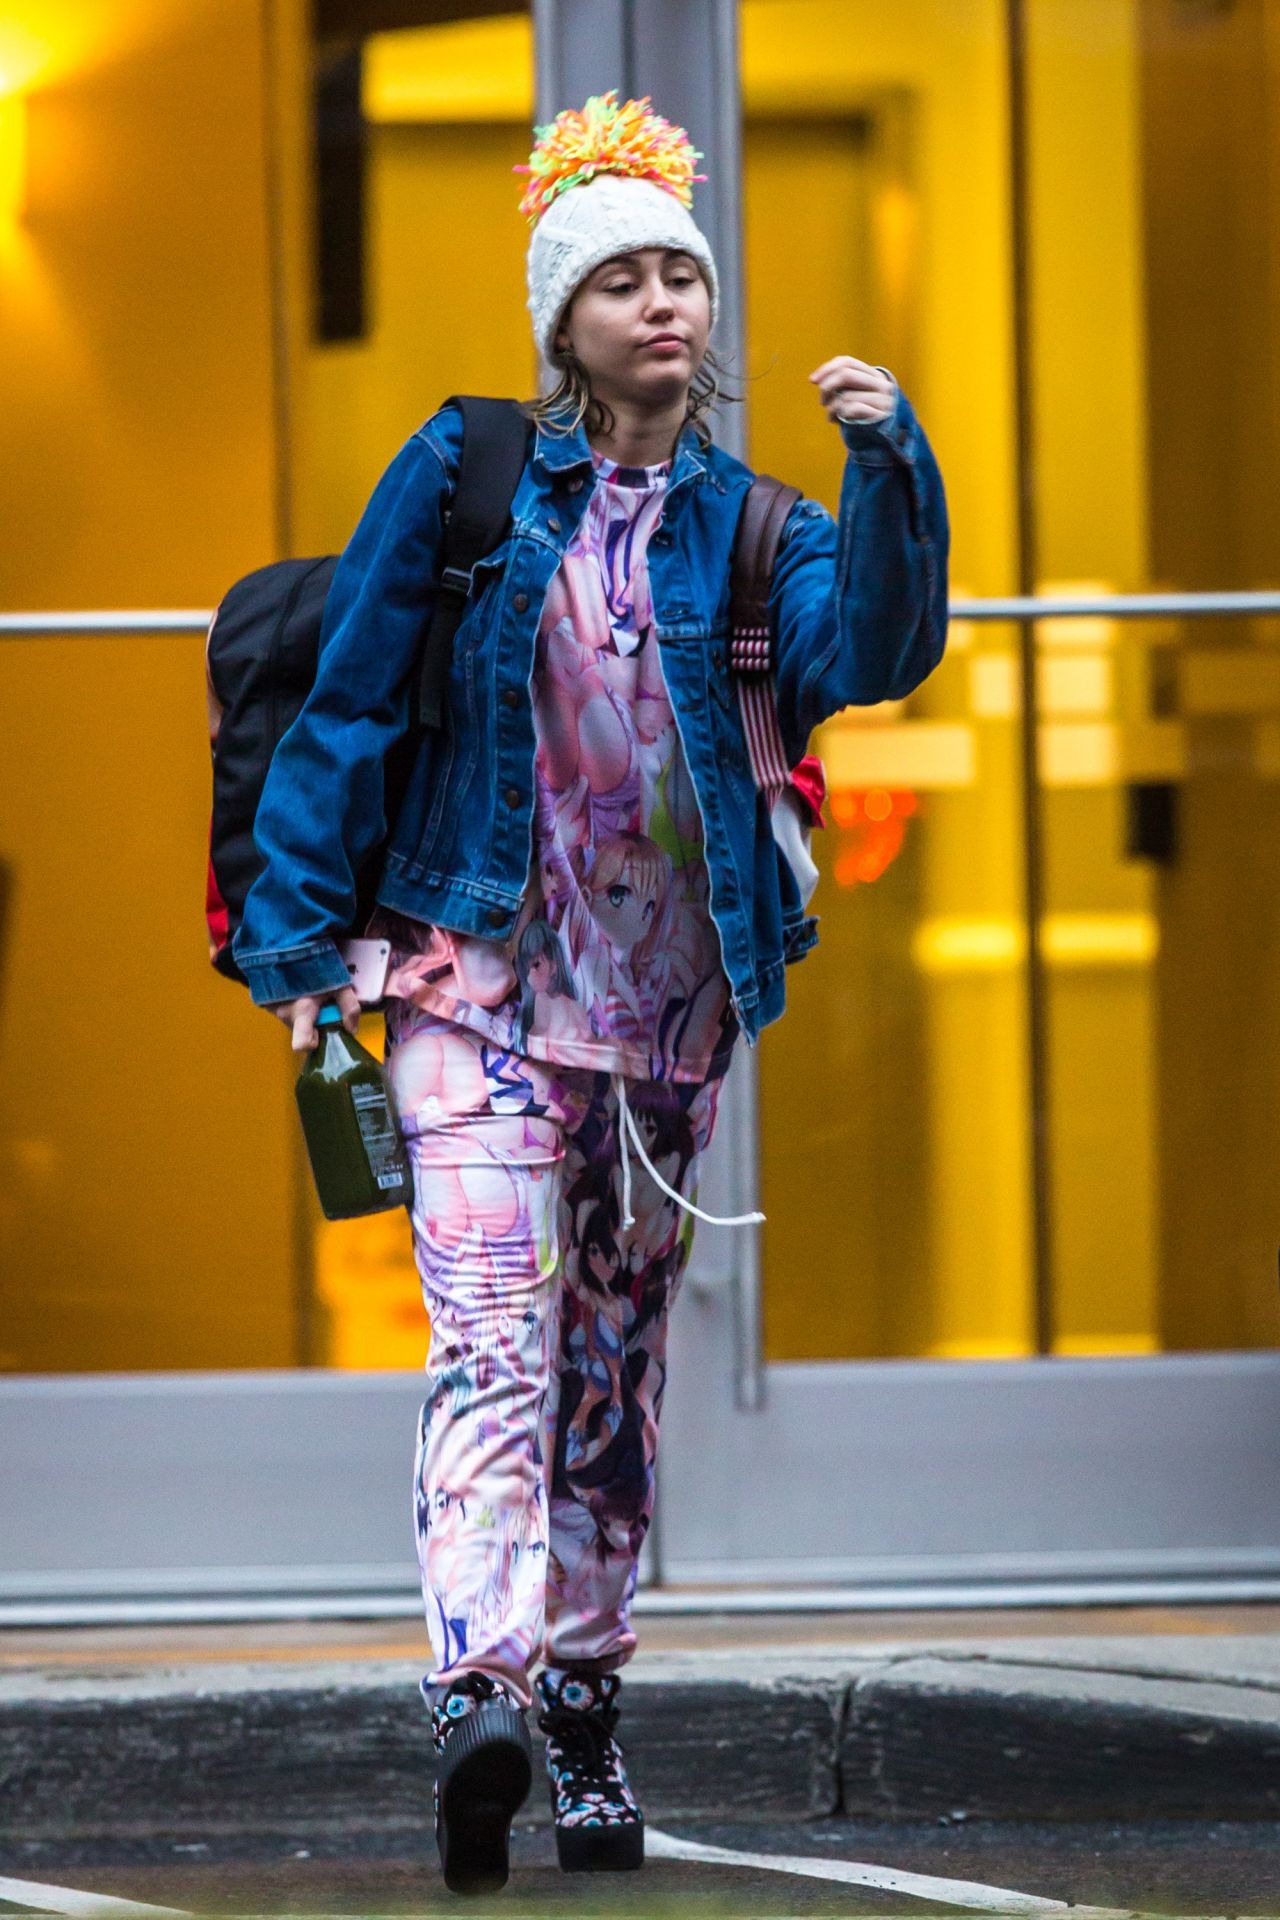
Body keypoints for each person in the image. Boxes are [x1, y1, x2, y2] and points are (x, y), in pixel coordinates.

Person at [233, 89, 949, 1896]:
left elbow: (874, 652)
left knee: (611, 1373)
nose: (661, 306)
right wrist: (300, 950)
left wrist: (893, 469)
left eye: (680, 279)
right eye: (621, 282)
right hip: (467, 984)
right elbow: (354, 701)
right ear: (564, 319)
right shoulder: (467, 477)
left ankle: (581, 1707)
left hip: (663, 1029)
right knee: (492, 1340)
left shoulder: (762, 526)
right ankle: (476, 1693)